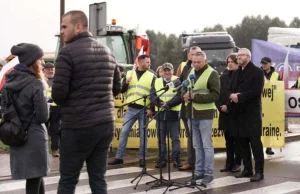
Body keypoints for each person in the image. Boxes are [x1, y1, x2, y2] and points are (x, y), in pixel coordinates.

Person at [52, 10, 121, 194]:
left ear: (79, 27)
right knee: (98, 179)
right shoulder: (108, 52)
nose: (61, 31)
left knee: (67, 180)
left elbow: (58, 95)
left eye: (64, 26)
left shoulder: (67, 54)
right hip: (105, 124)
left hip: (77, 126)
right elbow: (116, 88)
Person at [1, 43, 49, 194]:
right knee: (34, 179)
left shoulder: (8, 82)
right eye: (40, 60)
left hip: (17, 133)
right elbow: (42, 116)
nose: (42, 63)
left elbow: (4, 109)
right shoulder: (35, 83)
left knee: (35, 177)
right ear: (33, 61)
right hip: (34, 135)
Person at [108, 54, 155, 167]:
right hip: (131, 109)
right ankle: (119, 157)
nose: (149, 64)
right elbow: (121, 89)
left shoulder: (152, 76)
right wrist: (126, 82)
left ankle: (142, 158)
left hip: (144, 109)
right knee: (124, 132)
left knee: (143, 135)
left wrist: (151, 109)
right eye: (148, 62)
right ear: (141, 63)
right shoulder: (129, 73)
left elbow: (154, 93)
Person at [182, 51, 220, 186]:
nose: (196, 64)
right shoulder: (191, 72)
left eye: (199, 62)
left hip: (205, 114)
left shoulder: (212, 73)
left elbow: (215, 95)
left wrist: (194, 97)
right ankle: (199, 171)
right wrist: (184, 95)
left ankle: (209, 174)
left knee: (206, 146)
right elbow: (185, 86)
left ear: (205, 61)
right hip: (191, 113)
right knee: (197, 146)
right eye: (194, 62)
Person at [229, 48, 265, 182]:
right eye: (238, 55)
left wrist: (240, 97)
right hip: (239, 113)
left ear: (248, 57)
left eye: (241, 55)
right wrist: (231, 96)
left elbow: (256, 92)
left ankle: (259, 172)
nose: (238, 57)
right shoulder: (237, 72)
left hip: (252, 113)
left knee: (255, 143)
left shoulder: (257, 72)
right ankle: (248, 169)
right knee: (242, 143)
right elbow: (231, 88)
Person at [150, 62, 182, 168]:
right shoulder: (157, 81)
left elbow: (180, 96)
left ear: (172, 71)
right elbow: (152, 95)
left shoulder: (177, 81)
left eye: (169, 70)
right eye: (165, 70)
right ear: (162, 72)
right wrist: (159, 104)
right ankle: (162, 159)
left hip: (173, 113)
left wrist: (168, 104)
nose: (167, 72)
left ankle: (176, 159)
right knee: (161, 139)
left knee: (175, 139)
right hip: (160, 113)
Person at [216, 53, 241, 173]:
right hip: (224, 114)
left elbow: (239, 95)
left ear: (237, 63)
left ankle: (237, 163)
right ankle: (228, 163)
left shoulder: (240, 76)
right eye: (228, 62)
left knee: (237, 141)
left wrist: (229, 107)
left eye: (232, 61)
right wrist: (221, 107)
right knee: (228, 141)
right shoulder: (223, 77)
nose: (230, 64)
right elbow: (218, 94)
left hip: (235, 114)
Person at [177, 46, 202, 171]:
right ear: (189, 56)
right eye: (193, 54)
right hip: (186, 108)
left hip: (200, 109)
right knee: (191, 135)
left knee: (198, 137)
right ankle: (191, 161)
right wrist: (183, 96)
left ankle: (196, 162)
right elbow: (181, 86)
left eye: (198, 53)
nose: (195, 56)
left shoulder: (204, 69)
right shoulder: (185, 68)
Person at [260, 56, 280, 155]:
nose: (263, 65)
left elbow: (280, 88)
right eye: (262, 63)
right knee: (259, 126)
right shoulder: (258, 73)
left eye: (265, 63)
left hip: (272, 104)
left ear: (270, 64)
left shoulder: (276, 74)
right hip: (260, 103)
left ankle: (268, 147)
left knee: (269, 126)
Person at [44, 62, 61, 157]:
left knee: (55, 129)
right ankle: (44, 149)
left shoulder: (58, 80)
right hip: (44, 108)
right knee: (44, 129)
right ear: (44, 70)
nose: (50, 71)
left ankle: (54, 149)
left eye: (52, 69)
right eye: (48, 69)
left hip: (56, 108)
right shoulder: (42, 80)